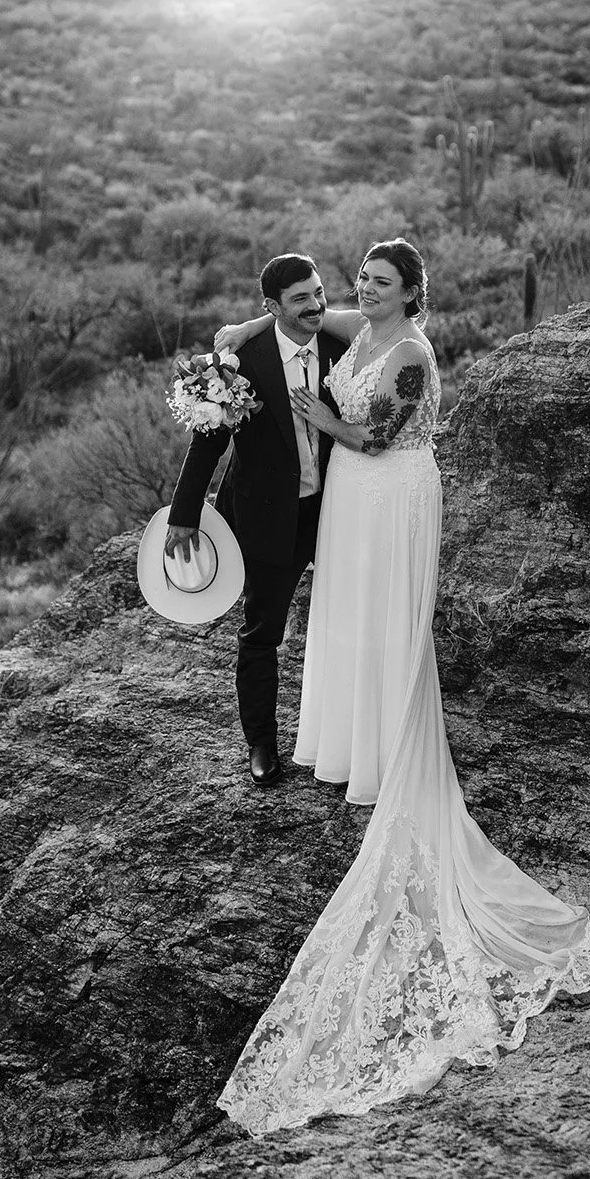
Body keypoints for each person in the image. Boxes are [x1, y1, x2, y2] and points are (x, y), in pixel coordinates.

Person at [209, 239, 590, 1135]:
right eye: (360, 281)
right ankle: (343, 740)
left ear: (412, 293)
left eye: (380, 283)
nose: (362, 291)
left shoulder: (412, 354)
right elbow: (303, 317)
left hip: (389, 491)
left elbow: (376, 435)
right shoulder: (364, 324)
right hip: (351, 498)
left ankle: (389, 750)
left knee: (387, 620)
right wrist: (241, 328)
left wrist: (319, 413)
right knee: (345, 616)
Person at [165, 252, 350, 788]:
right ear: (272, 306)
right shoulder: (239, 363)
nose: (316, 305)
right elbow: (208, 444)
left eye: (319, 293)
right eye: (301, 299)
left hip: (337, 509)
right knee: (263, 632)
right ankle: (261, 744)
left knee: (346, 623)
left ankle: (344, 737)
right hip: (268, 515)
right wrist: (184, 515)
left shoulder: (344, 346)